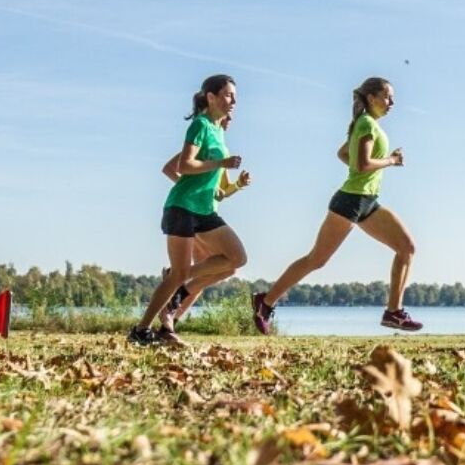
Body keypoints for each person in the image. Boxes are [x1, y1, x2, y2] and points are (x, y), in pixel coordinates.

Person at [252, 77, 421, 333]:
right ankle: (265, 301)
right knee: (316, 260)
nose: (392, 102)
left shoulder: (367, 124)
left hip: (368, 201)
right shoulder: (365, 124)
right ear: (372, 98)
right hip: (350, 201)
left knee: (406, 247)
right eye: (387, 97)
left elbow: (344, 154)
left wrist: (365, 171)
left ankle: (393, 312)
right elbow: (362, 164)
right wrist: (390, 161)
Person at [128, 75, 248, 346]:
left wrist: (223, 185)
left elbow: (203, 172)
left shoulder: (218, 131)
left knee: (236, 258)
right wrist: (221, 162)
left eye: (235, 97)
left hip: (204, 210)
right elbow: (183, 165)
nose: (234, 102)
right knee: (180, 275)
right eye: (228, 95)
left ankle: (177, 280)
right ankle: (142, 330)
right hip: (181, 208)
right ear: (211, 97)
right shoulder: (200, 125)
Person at [159, 116, 250, 332]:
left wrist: (238, 184)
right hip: (192, 212)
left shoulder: (222, 150)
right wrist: (193, 188)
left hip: (209, 215)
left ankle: (172, 316)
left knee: (221, 270)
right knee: (222, 268)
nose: (230, 118)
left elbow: (223, 192)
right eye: (227, 115)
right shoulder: (204, 144)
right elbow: (170, 168)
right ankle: (174, 294)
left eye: (232, 117)